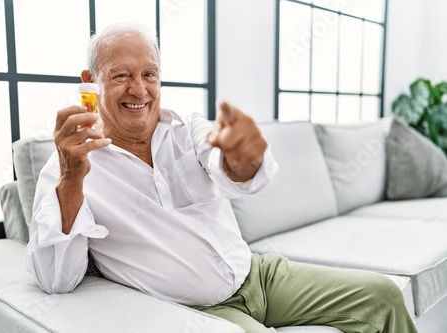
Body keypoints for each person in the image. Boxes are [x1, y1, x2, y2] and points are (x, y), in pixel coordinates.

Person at [26, 22, 418, 333]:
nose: (139, 89)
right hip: (199, 310)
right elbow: (56, 278)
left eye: (149, 73)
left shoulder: (187, 128)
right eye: (120, 76)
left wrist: (243, 159)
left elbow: (232, 172)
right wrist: (73, 178)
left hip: (259, 274)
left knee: (382, 295)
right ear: (90, 79)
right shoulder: (65, 166)